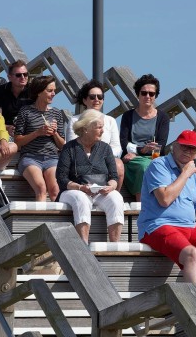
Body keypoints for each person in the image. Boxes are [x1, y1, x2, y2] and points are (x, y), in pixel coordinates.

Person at [139, 129, 196, 285]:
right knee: (192, 254)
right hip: (158, 225)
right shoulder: (159, 164)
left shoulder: (192, 175)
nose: (187, 151)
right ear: (174, 146)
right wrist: (185, 173)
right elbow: (164, 199)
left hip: (190, 227)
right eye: (184, 146)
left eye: (192, 149)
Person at [56, 109, 125, 243]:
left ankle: (114, 245)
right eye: (99, 127)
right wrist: (80, 187)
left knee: (116, 197)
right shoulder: (69, 148)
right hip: (73, 190)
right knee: (82, 199)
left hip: (100, 191)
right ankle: (83, 245)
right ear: (86, 128)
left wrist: (111, 186)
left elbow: (114, 176)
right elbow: (62, 178)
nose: (103, 131)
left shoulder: (105, 148)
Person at [13, 75, 67, 202]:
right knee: (41, 188)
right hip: (30, 157)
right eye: (49, 91)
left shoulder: (56, 113)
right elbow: (17, 141)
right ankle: (40, 220)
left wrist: (54, 133)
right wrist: (37, 132)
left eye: (54, 90)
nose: (53, 94)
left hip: (52, 158)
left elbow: (62, 145)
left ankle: (56, 221)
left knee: (55, 190)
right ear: (38, 92)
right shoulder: (25, 112)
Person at [121, 74, 169, 200]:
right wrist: (140, 150)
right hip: (133, 158)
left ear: (155, 96)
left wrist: (152, 155)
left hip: (154, 156)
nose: (147, 96)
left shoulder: (163, 117)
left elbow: (161, 144)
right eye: (144, 93)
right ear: (138, 94)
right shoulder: (128, 116)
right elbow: (124, 142)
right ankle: (141, 204)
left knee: (153, 165)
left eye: (151, 94)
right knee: (144, 166)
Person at [70, 80, 124, 186]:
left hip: (106, 157)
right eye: (92, 97)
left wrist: (103, 155)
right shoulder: (75, 120)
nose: (96, 100)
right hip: (83, 158)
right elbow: (71, 145)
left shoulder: (110, 120)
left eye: (100, 97)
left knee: (119, 165)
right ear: (85, 100)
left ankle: (112, 194)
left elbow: (117, 147)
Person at [0, 60, 29, 129]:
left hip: (29, 131)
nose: (22, 77)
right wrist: (6, 128)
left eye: (25, 74)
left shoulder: (34, 91)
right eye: (18, 75)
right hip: (6, 131)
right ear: (9, 77)